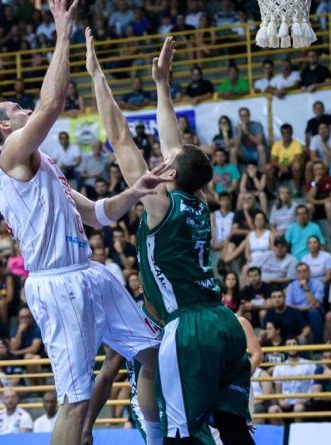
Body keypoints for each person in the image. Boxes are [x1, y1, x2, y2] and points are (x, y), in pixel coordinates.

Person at [0, 8, 163, 444]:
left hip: (89, 272)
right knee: (74, 398)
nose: (24, 109)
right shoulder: (9, 156)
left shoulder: (45, 166)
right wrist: (63, 35)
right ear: (5, 126)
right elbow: (51, 104)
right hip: (56, 282)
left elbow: (98, 214)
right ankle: (78, 431)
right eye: (16, 109)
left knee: (151, 352)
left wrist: (135, 191)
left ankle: (153, 437)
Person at [86, 34, 253, 444]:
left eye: (167, 162)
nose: (163, 158)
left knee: (183, 435)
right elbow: (174, 144)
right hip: (224, 322)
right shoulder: (198, 200)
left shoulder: (160, 205)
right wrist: (162, 85)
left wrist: (95, 75)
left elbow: (121, 138)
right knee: (233, 427)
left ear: (171, 174)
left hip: (188, 327)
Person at [268, 337, 328, 423]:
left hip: (304, 403)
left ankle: (296, 431)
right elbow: (278, 389)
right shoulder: (279, 367)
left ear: (299, 346)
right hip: (286, 404)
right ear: (285, 348)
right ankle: (284, 431)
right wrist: (281, 401)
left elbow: (314, 387)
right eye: (289, 344)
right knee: (273, 410)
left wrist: (306, 399)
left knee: (298, 408)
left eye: (294, 344)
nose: (292, 346)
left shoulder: (309, 364)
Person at [285, 263, 325, 343]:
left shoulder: (318, 284)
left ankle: (317, 345)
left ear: (309, 272)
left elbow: (314, 304)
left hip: (314, 312)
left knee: (314, 313)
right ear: (296, 274)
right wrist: (305, 308)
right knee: (290, 314)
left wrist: (306, 289)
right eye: (299, 272)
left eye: (304, 271)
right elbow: (288, 305)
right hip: (298, 312)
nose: (302, 274)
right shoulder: (291, 286)